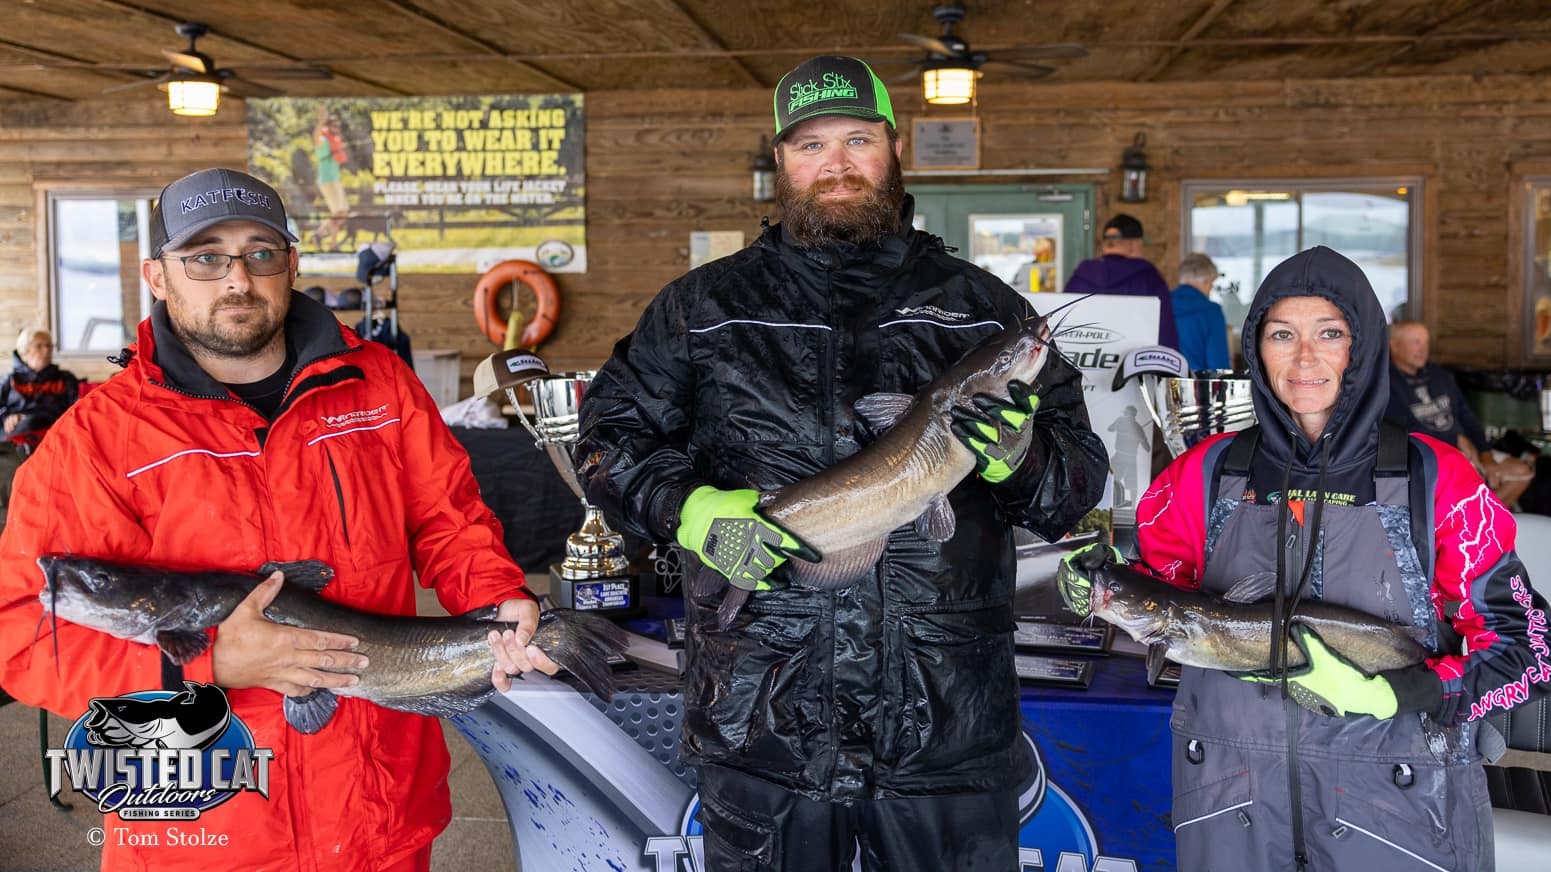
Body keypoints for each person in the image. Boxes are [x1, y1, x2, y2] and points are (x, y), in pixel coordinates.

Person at [574, 55, 1107, 871]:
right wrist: (688, 509)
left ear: (894, 149)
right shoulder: (700, 307)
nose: (836, 163)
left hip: (944, 725)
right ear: (780, 161)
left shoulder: (983, 309)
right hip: (763, 716)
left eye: (857, 139)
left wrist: (1021, 457)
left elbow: (1075, 489)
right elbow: (609, 443)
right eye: (810, 144)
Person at [0, 167, 555, 871]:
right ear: (158, 274)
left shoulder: (379, 386)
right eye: (205, 257)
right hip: (199, 826)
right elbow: (20, 630)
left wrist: (496, 597)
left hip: (372, 810)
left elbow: (451, 521)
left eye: (260, 253)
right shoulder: (96, 439)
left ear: (289, 265)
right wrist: (205, 665)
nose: (237, 278)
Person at [1061, 246, 1551, 871]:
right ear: (1256, 348)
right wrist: (1098, 582)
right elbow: (1158, 596)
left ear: (1363, 345)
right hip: (1229, 813)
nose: (1305, 359)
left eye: (1330, 333)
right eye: (1281, 335)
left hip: (1401, 815)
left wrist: (1403, 692)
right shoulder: (1204, 474)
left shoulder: (1438, 480)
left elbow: (1527, 649)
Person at [1385, 319, 1536, 507]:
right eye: (1415, 342)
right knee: (1462, 484)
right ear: (1395, 346)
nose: (1423, 349)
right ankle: (1468, 521)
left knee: (1522, 472)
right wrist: (1455, 439)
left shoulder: (1439, 375)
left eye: (1426, 342)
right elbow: (1408, 430)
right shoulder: (1386, 383)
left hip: (1464, 451)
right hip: (1428, 459)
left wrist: (1485, 454)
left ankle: (1482, 521)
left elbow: (1466, 415)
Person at [1064, 213, 1179, 350]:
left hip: (1084, 364)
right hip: (1134, 367)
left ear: (1105, 246)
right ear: (1133, 245)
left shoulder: (1079, 278)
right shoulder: (1149, 278)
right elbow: (1165, 332)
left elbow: (1063, 325)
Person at [0, 326, 79, 442]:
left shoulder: (65, 379)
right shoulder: (10, 380)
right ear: (25, 351)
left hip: (54, 430)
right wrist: (6, 417)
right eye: (39, 346)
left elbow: (77, 407)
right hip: (17, 433)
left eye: (49, 346)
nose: (46, 350)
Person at [1170, 253, 1231, 372]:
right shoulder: (1211, 312)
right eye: (1211, 284)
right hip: (1197, 386)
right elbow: (1218, 365)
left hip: (1163, 385)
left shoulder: (1162, 305)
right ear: (1206, 279)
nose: (1210, 289)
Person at [311, 105, 350, 249]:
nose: (336, 127)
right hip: (327, 180)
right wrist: (321, 121)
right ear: (327, 127)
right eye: (333, 125)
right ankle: (322, 236)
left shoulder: (335, 140)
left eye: (337, 125)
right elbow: (315, 136)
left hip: (335, 179)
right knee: (338, 212)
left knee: (343, 212)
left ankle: (327, 239)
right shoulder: (323, 140)